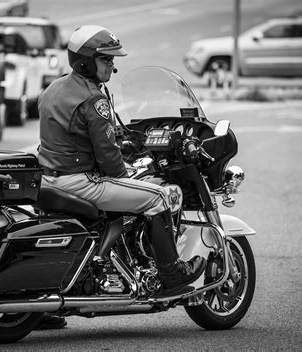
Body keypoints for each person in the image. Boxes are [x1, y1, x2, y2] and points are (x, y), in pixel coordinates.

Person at [38, 25, 206, 298]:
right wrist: (127, 170)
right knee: (158, 197)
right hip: (79, 182)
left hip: (48, 179)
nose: (112, 65)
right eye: (106, 58)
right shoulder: (94, 99)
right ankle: (172, 272)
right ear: (86, 61)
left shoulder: (52, 89)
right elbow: (110, 161)